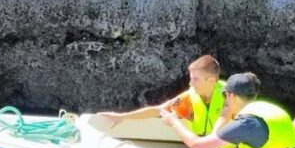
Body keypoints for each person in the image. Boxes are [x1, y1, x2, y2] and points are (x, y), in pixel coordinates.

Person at [161, 73, 295, 148]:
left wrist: (174, 122)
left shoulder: (246, 123)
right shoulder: (271, 109)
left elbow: (196, 145)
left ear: (231, 96)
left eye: (225, 96)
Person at [97, 55, 227, 138]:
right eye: (191, 78)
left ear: (210, 80)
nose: (190, 83)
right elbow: (159, 110)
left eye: (195, 79)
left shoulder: (231, 96)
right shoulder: (190, 96)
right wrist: (121, 117)